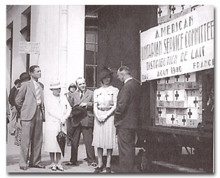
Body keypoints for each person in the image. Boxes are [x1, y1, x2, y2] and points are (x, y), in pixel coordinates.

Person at [15, 65, 45, 171]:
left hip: (39, 113)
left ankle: (35, 161)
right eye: (37, 71)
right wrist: (23, 111)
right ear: (31, 73)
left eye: (40, 71)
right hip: (27, 115)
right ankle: (23, 163)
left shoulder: (41, 85)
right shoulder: (25, 85)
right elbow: (18, 100)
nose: (39, 73)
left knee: (38, 139)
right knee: (25, 140)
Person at [92, 67, 119, 173]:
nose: (107, 79)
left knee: (108, 141)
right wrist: (98, 115)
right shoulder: (97, 91)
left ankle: (108, 164)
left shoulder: (114, 90)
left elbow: (115, 105)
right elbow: (94, 104)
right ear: (101, 79)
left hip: (109, 116)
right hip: (98, 116)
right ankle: (99, 163)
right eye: (105, 78)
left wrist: (106, 115)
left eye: (108, 77)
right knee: (99, 141)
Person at [114, 66, 141, 172]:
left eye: (119, 75)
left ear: (123, 74)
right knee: (130, 148)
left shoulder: (126, 87)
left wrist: (116, 117)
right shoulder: (137, 84)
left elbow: (121, 106)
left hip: (124, 122)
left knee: (125, 150)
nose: (118, 78)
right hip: (134, 122)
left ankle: (125, 172)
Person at [66, 77, 97, 167]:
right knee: (74, 141)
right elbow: (70, 105)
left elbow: (95, 103)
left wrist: (87, 104)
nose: (82, 85)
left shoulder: (91, 93)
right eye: (80, 84)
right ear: (77, 85)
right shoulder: (73, 94)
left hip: (87, 119)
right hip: (76, 120)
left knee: (89, 141)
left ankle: (91, 160)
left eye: (83, 83)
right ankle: (73, 160)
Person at [44, 80, 71, 171]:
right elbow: (50, 111)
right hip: (52, 123)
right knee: (52, 144)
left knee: (60, 143)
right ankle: (53, 162)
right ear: (52, 89)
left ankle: (59, 162)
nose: (58, 90)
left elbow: (69, 108)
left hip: (62, 123)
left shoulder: (63, 97)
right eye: (56, 89)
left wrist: (65, 117)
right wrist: (60, 117)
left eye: (59, 89)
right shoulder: (48, 98)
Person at [14, 72, 31, 146]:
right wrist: (23, 109)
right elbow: (17, 102)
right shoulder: (21, 89)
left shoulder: (22, 88)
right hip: (22, 114)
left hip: (23, 113)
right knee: (24, 133)